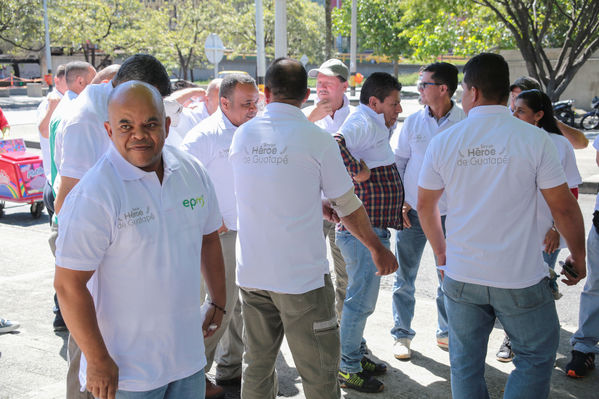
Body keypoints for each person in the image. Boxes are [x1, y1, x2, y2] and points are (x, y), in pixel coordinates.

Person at [418, 52, 586, 399]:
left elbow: (425, 205)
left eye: (463, 90)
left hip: (463, 275)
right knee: (536, 356)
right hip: (520, 277)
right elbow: (566, 209)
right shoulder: (534, 139)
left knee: (464, 363)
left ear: (473, 92)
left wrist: (442, 256)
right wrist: (580, 258)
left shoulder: (445, 141)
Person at [229, 58, 397, 399]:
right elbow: (346, 203)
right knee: (319, 372)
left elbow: (266, 189)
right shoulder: (315, 138)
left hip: (253, 274)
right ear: (306, 95)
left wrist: (313, 203)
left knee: (257, 366)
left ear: (265, 92)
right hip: (300, 279)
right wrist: (377, 248)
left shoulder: (244, 135)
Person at [54, 81, 226, 399]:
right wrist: (97, 360)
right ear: (108, 130)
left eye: (150, 124)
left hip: (187, 361)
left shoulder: (191, 171)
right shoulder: (96, 192)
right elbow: (68, 285)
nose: (139, 134)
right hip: (126, 375)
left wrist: (218, 299)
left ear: (167, 125)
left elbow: (209, 236)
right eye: (126, 125)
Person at [52, 54, 172, 399]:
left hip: (123, 236)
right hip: (89, 242)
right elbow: (67, 202)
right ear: (120, 87)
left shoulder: (121, 108)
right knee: (87, 339)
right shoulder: (86, 120)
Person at [180, 73, 259, 398]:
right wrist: (209, 217)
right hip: (219, 237)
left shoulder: (254, 130)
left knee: (243, 307)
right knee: (218, 308)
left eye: (256, 102)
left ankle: (229, 370)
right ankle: (195, 376)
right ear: (224, 103)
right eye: (246, 104)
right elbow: (180, 181)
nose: (254, 109)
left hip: (251, 233)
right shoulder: (204, 137)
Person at [495, 89, 582, 363]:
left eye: (520, 111)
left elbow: (572, 194)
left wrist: (556, 229)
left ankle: (529, 345)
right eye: (513, 110)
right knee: (512, 290)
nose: (514, 115)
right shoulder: (508, 140)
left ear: (539, 115)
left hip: (545, 234)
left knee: (538, 289)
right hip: (512, 231)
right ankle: (513, 338)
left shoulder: (558, 144)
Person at [389, 62, 466, 360]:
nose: (418, 90)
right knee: (403, 277)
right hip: (413, 213)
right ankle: (402, 335)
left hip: (450, 215)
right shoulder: (413, 123)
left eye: (424, 85)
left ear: (443, 88)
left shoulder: (465, 121)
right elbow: (400, 164)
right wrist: (400, 202)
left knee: (448, 275)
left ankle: (446, 332)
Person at [334, 72, 404, 393]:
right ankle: (347, 367)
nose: (399, 109)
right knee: (360, 302)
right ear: (374, 102)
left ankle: (356, 354)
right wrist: (357, 169)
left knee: (361, 300)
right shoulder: (362, 121)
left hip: (369, 230)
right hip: (363, 234)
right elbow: (335, 145)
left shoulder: (372, 122)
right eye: (394, 103)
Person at [302, 58, 355, 319]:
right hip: (311, 206)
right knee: (309, 271)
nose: (321, 87)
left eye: (328, 83)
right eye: (318, 82)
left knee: (345, 273)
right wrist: (310, 119)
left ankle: (343, 332)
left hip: (344, 208)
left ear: (344, 86)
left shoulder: (357, 119)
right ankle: (316, 327)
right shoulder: (303, 118)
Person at [47, 61, 97, 332]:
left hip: (59, 194)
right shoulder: (78, 112)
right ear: (80, 82)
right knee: (75, 286)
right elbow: (70, 177)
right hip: (66, 202)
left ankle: (62, 315)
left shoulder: (65, 108)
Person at [509, 76, 588, 149]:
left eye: (521, 97)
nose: (515, 101)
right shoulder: (503, 118)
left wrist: (551, 120)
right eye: (513, 96)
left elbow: (581, 143)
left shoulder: (545, 124)